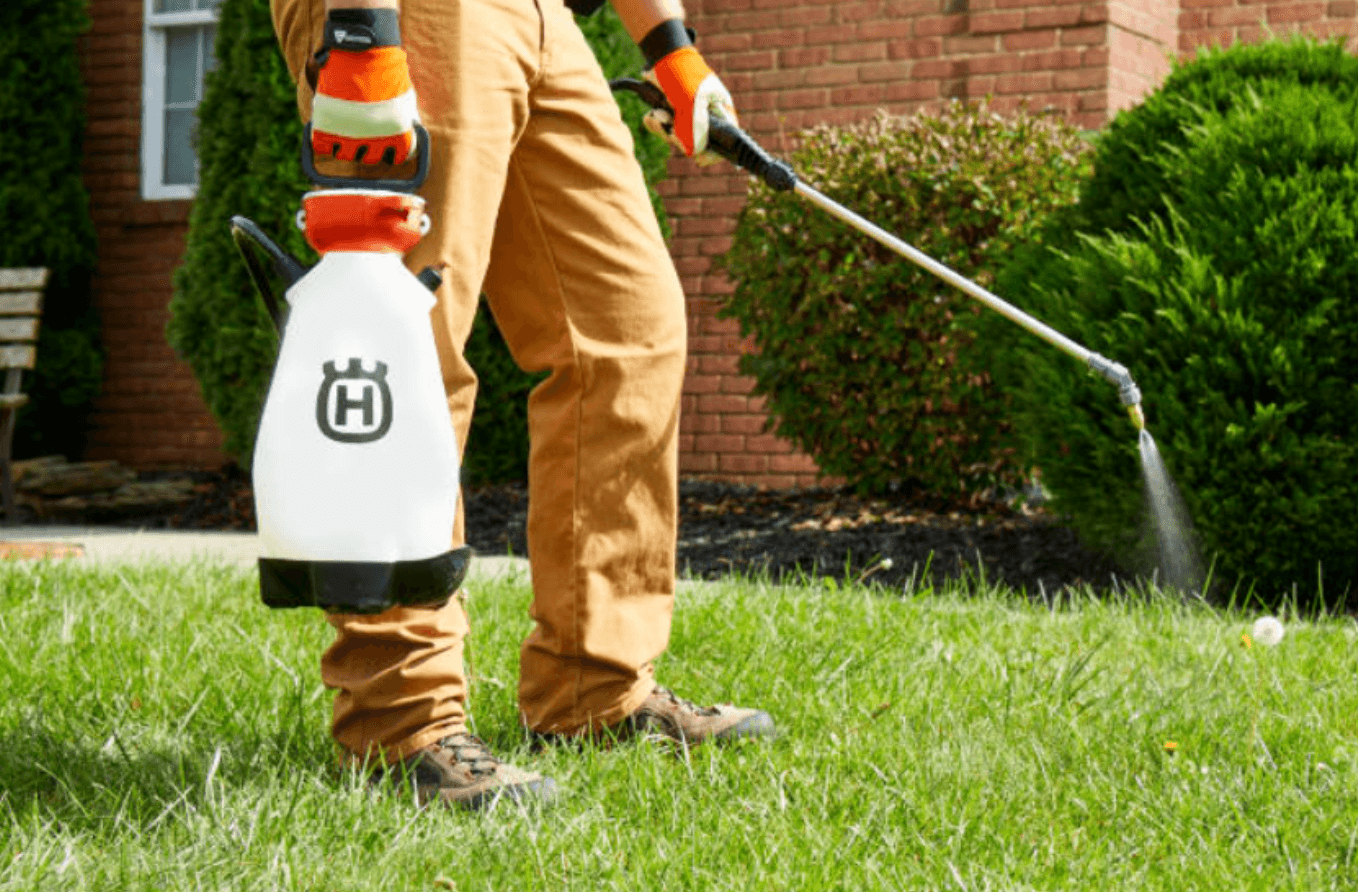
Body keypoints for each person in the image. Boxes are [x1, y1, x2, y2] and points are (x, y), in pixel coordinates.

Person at [266, 0, 777, 810]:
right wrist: (360, 28)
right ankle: (402, 721)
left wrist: (670, 48)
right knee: (406, 344)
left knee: (629, 331)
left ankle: (595, 687)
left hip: (543, 19)